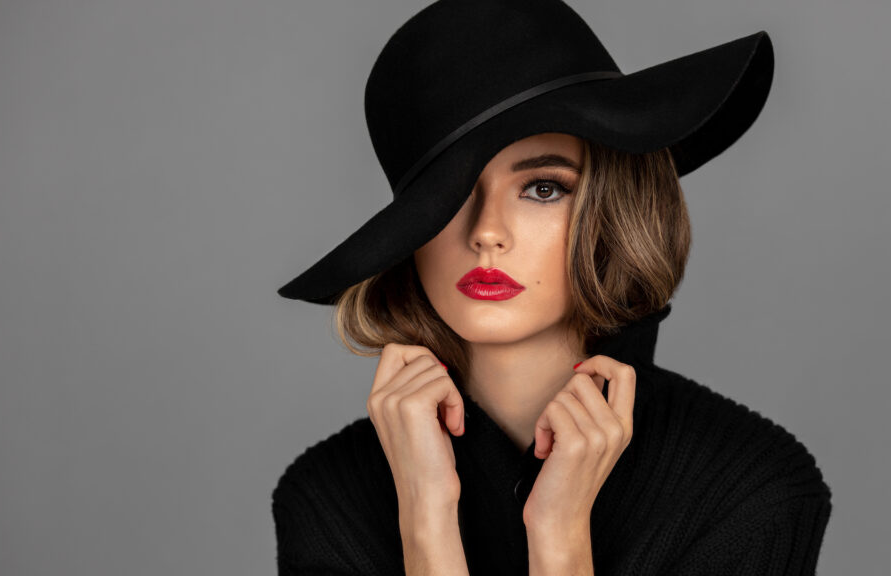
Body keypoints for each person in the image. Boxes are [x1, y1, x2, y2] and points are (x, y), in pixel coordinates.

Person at [271, 1, 832, 575]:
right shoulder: (327, 497)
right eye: (450, 194)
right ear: (411, 235)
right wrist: (425, 518)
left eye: (542, 188)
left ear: (612, 212)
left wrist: (559, 537)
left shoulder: (749, 490)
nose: (486, 232)